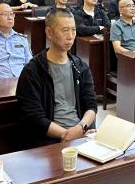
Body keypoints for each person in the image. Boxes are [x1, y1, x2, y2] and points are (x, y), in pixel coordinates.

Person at [16, 9, 97, 148]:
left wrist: (81, 128)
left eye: (73, 30)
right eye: (65, 30)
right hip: (48, 140)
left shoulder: (81, 67)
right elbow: (33, 116)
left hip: (81, 133)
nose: (70, 36)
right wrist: (67, 135)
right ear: (49, 33)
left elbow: (91, 105)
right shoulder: (33, 70)